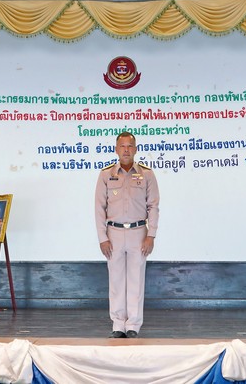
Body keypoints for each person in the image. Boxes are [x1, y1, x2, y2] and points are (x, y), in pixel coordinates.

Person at [95, 132, 160, 338]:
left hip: (138, 233)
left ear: (135, 149)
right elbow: (99, 208)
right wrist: (102, 238)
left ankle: (133, 325)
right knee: (115, 280)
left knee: (136, 280)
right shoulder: (105, 174)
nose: (126, 150)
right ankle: (117, 325)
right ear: (116, 149)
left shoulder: (147, 174)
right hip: (113, 232)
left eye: (130, 146)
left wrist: (151, 235)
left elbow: (154, 206)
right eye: (122, 146)